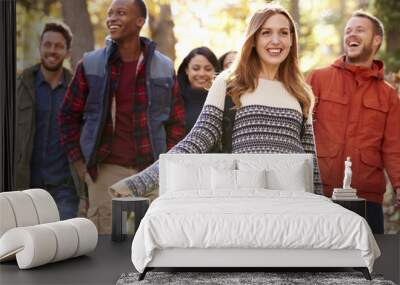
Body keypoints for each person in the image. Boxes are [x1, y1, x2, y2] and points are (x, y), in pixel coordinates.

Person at [110, 3, 322, 198]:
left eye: (283, 33)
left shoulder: (301, 93)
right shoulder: (229, 84)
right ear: (254, 39)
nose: (276, 41)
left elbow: (310, 162)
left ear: (292, 39)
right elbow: (196, 140)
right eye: (266, 33)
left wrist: (320, 204)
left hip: (293, 200)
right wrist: (140, 182)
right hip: (245, 197)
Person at [59, 0, 185, 234]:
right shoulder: (90, 64)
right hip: (106, 173)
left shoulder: (164, 67)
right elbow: (68, 116)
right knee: (107, 249)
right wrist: (81, 166)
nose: (112, 18)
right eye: (110, 14)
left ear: (139, 22)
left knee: (154, 244)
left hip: (152, 173)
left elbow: (175, 122)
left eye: (121, 13)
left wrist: (166, 164)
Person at [307, 10, 400, 233]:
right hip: (320, 195)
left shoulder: (388, 95)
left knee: (368, 266)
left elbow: (393, 147)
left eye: (360, 30)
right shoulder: (317, 79)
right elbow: (301, 131)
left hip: (367, 198)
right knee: (319, 266)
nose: (351, 35)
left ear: (376, 40)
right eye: (348, 31)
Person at [15, 21, 79, 220]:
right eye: (48, 44)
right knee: (27, 246)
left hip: (65, 189)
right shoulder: (19, 87)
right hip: (25, 187)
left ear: (67, 52)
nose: (52, 50)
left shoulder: (77, 90)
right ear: (40, 47)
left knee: (63, 245)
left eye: (59, 46)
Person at [177, 47, 220, 133]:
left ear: (216, 71)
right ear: (186, 70)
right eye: (196, 68)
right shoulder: (174, 99)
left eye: (208, 69)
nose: (201, 74)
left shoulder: (225, 100)